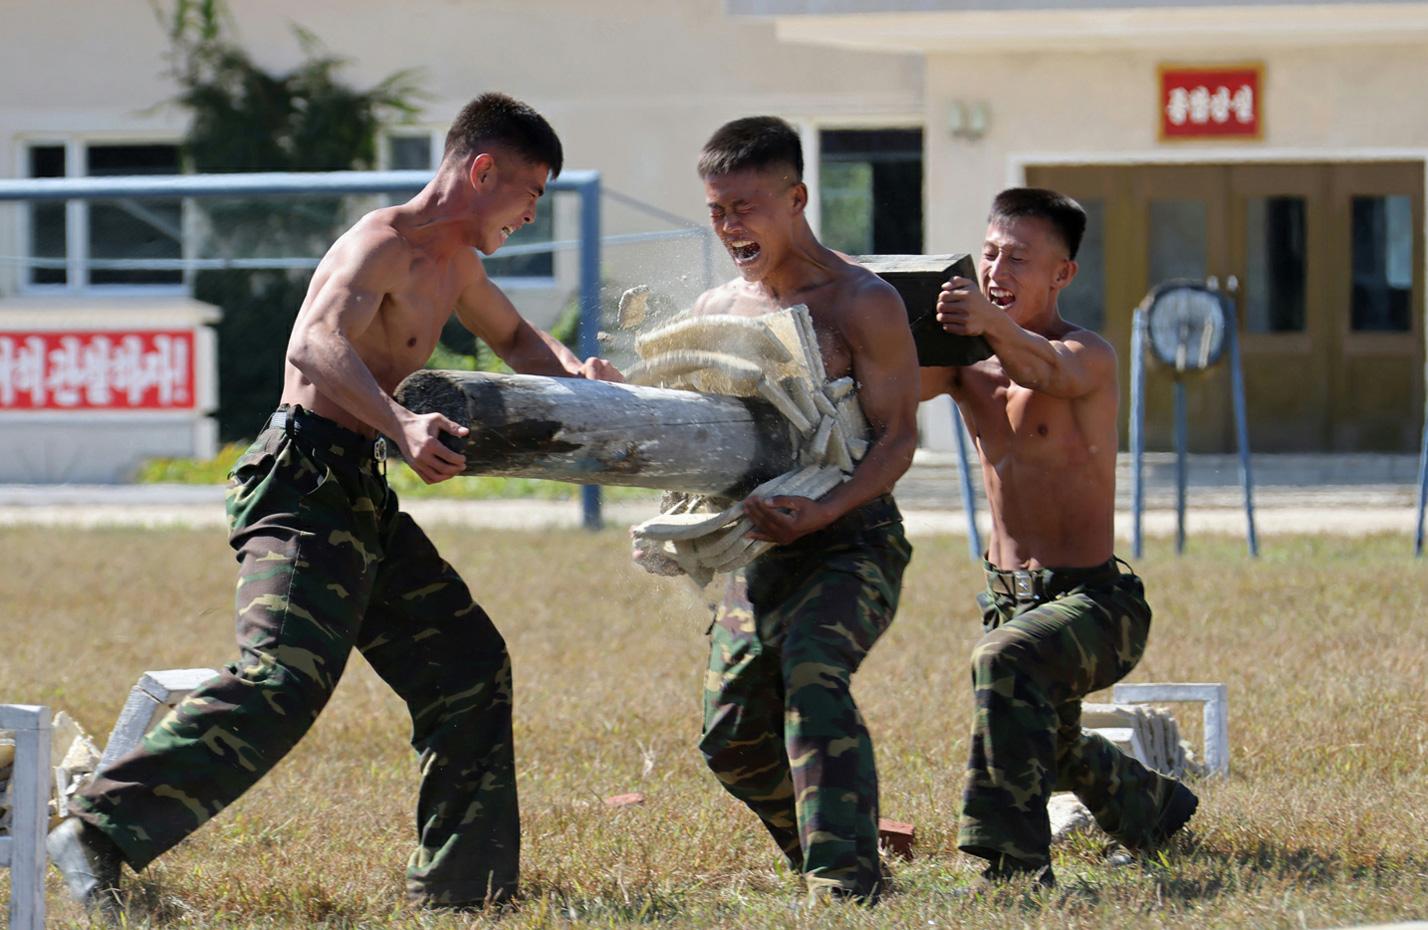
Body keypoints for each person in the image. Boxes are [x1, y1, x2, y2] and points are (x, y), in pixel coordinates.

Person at [47, 92, 621, 919]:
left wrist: (580, 375)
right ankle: (95, 830)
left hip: (358, 490)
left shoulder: (458, 262)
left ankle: (466, 891)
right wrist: (402, 422)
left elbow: (521, 342)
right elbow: (313, 343)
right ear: (482, 169)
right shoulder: (381, 242)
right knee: (282, 679)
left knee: (466, 665)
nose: (534, 212)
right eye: (531, 191)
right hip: (300, 479)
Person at [662, 116, 920, 904]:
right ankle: (830, 846)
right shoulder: (717, 308)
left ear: (797, 197)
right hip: (756, 550)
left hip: (852, 544)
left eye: (746, 206)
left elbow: (900, 438)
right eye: (716, 211)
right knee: (732, 739)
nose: (730, 226)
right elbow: (695, 433)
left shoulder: (860, 302)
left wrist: (828, 508)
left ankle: (846, 886)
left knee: (813, 675)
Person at [921, 187, 1198, 894]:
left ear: (1061, 274)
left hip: (1098, 604)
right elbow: (879, 386)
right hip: (1009, 597)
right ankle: (1155, 809)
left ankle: (1011, 869)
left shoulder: (1088, 354)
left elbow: (1041, 368)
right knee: (1046, 732)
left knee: (1005, 661)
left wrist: (987, 324)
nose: (997, 271)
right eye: (988, 254)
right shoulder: (964, 363)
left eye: (1018, 258)